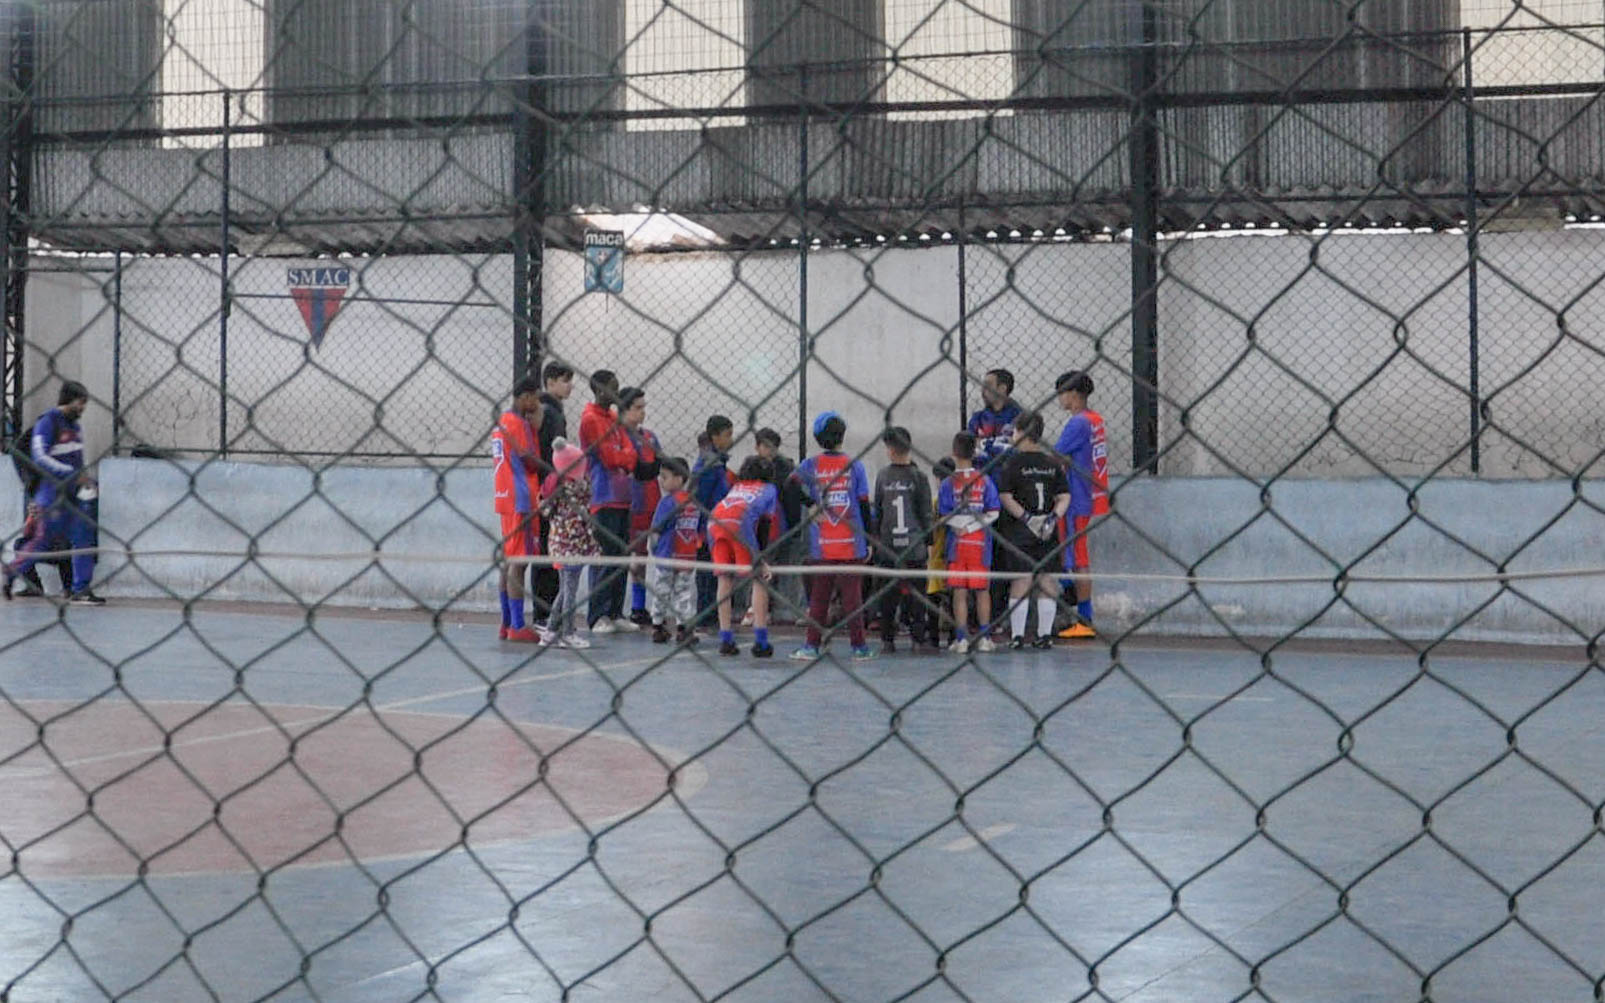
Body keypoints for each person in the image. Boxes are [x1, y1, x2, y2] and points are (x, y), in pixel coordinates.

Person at [5, 381, 102, 604]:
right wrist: (70, 474)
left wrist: (84, 479)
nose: (83, 408)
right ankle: (10, 572)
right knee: (42, 541)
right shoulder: (48, 422)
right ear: (68, 400)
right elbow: (40, 457)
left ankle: (80, 589)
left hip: (73, 493)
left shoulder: (75, 427)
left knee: (83, 537)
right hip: (51, 493)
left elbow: (77, 458)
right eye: (81, 402)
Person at [789, 412, 875, 663]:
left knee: (819, 597)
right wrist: (868, 539)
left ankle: (811, 645)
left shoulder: (810, 465)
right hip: (851, 543)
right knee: (853, 598)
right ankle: (859, 647)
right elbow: (862, 503)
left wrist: (812, 504)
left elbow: (790, 485)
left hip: (823, 545)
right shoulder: (854, 465)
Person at [996, 411, 1071, 650]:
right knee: (1046, 577)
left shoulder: (1012, 463)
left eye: (1016, 431)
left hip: (1020, 529)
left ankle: (1018, 636)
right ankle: (1044, 634)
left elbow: (1006, 496)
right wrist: (1051, 518)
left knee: (1022, 578)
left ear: (1023, 434)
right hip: (1046, 530)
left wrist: (1027, 518)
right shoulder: (1052, 463)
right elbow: (1064, 496)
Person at [578, 370, 638, 633]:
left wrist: (623, 456)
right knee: (603, 556)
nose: (617, 391)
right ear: (601, 390)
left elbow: (631, 454)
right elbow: (610, 458)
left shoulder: (614, 418)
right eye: (613, 387)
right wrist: (622, 456)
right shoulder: (590, 420)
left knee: (621, 555)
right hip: (603, 496)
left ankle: (615, 612)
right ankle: (597, 615)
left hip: (623, 495)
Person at [1054, 370, 1109, 640]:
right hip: (1089, 494)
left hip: (1076, 497)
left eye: (1062, 393)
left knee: (1076, 559)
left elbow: (1057, 455)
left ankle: (1083, 618)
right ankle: (1071, 611)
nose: (1060, 399)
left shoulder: (1078, 423)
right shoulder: (1095, 420)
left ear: (1074, 394)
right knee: (1072, 556)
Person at [490, 376, 545, 642]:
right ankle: (517, 625)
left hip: (504, 497)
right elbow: (530, 459)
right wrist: (536, 429)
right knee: (519, 562)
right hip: (521, 497)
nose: (537, 403)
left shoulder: (501, 422)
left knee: (509, 559)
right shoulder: (518, 423)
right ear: (525, 397)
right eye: (535, 397)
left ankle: (506, 622)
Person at [707, 456, 779, 657]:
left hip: (714, 522)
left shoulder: (737, 487)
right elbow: (764, 525)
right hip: (740, 524)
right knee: (759, 579)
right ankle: (761, 641)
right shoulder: (769, 489)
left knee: (724, 578)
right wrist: (761, 557)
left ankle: (726, 639)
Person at [872, 426, 933, 654]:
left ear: (890, 450)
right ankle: (918, 639)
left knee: (888, 595)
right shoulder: (919, 477)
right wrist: (928, 541)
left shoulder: (883, 476)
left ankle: (888, 639)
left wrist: (876, 539)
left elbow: (878, 510)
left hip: (889, 544)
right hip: (914, 544)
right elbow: (926, 512)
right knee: (917, 594)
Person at [938, 431, 1000, 653]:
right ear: (975, 452)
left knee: (959, 592)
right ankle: (984, 637)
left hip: (957, 543)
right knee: (983, 590)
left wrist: (958, 527)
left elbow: (943, 514)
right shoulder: (984, 480)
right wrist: (973, 527)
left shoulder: (948, 483)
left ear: (954, 453)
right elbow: (994, 512)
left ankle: (961, 639)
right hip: (980, 543)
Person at [542, 438, 597, 649]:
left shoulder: (554, 486)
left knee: (565, 590)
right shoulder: (575, 487)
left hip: (561, 544)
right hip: (573, 545)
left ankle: (550, 630)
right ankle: (567, 632)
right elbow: (588, 495)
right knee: (570, 591)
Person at [532, 361, 575, 619]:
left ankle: (546, 611)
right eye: (564, 380)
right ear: (550, 382)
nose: (569, 385)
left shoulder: (552, 410)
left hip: (551, 486)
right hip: (549, 489)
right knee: (549, 550)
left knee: (552, 550)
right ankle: (543, 612)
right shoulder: (550, 412)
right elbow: (551, 453)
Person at [647, 457, 701, 647]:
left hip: (667, 556)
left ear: (679, 479)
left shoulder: (667, 503)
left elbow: (656, 529)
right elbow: (698, 529)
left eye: (665, 477)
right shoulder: (693, 503)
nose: (661, 481)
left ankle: (658, 625)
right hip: (686, 556)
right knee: (683, 593)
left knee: (662, 591)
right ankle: (683, 628)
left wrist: (654, 549)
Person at [620, 386, 662, 627]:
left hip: (652, 502)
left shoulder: (650, 437)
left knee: (645, 555)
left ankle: (640, 606)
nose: (642, 412)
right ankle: (630, 606)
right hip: (631, 503)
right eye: (637, 408)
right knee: (630, 555)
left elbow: (659, 464)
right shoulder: (619, 437)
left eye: (643, 407)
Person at [753, 427, 803, 623]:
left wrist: (794, 524)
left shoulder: (785, 468)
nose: (770, 451)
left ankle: (789, 609)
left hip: (782, 523)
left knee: (786, 567)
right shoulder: (753, 468)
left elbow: (793, 496)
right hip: (763, 525)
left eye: (773, 447)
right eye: (766, 446)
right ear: (757, 447)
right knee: (764, 567)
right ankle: (761, 608)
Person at [691, 415, 736, 627]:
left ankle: (710, 614)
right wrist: (700, 529)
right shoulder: (709, 466)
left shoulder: (717, 463)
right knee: (707, 573)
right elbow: (700, 499)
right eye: (727, 435)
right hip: (707, 527)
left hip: (715, 525)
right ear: (715, 437)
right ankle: (705, 615)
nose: (731, 439)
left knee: (713, 571)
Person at [924, 458, 956, 649]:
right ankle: (953, 636)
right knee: (952, 597)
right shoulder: (958, 500)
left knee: (934, 597)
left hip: (936, 552)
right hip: (952, 552)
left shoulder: (935, 502)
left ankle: (933, 636)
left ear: (937, 479)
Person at [968, 368, 1022, 478]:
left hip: (1011, 476)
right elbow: (969, 446)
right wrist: (1003, 444)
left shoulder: (1019, 416)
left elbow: (1020, 446)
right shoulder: (978, 417)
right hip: (981, 477)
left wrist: (984, 444)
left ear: (1002, 389)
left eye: (987, 385)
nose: (983, 391)